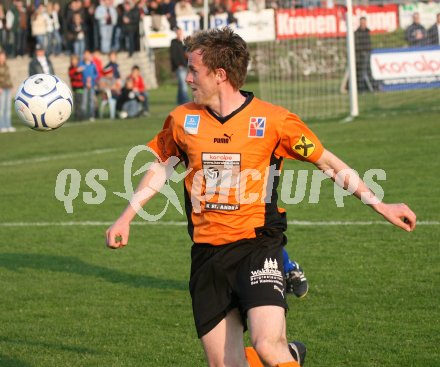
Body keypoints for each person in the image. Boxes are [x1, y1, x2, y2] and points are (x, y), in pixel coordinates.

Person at [106, 28, 416, 367]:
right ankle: (292, 356)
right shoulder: (182, 119)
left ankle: (283, 353)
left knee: (268, 345)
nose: (188, 77)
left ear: (219, 75)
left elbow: (326, 161)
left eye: (194, 70)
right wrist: (127, 216)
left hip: (259, 246)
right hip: (207, 256)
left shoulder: (274, 121)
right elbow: (161, 166)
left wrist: (381, 204)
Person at [170, 27, 190, 105]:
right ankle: (185, 101)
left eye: (180, 33)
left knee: (181, 84)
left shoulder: (183, 43)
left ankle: (179, 101)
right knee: (183, 84)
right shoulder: (174, 42)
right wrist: (178, 65)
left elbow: (187, 53)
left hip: (184, 65)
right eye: (178, 33)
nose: (180, 34)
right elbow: (173, 55)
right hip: (180, 67)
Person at [354, 16, 374, 92]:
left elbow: (369, 43)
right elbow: (356, 45)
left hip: (368, 54)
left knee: (369, 72)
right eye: (362, 23)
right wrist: (362, 51)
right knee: (361, 73)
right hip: (360, 55)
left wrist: (369, 50)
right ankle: (361, 89)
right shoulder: (357, 33)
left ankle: (371, 88)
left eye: (364, 23)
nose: (363, 24)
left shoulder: (367, 31)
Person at [79, 50, 98, 121]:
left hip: (92, 85)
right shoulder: (81, 64)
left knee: (91, 100)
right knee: (84, 101)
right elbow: (79, 74)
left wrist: (91, 79)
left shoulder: (93, 64)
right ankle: (83, 116)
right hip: (84, 85)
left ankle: (91, 115)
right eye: (85, 54)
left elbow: (96, 74)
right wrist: (86, 81)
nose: (86, 56)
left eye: (88, 54)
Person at [0, 50, 15, 133]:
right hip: (1, 89)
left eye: (3, 56)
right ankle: (2, 126)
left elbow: (8, 78)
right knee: (1, 109)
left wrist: (11, 86)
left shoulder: (6, 66)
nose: (2, 58)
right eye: (1, 56)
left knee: (8, 108)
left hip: (7, 88)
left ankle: (8, 125)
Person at [68, 54, 84, 121]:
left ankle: (80, 115)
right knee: (77, 102)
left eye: (75, 60)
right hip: (75, 88)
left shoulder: (79, 68)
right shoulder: (71, 69)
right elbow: (71, 74)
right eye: (73, 60)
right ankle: (77, 116)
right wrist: (77, 71)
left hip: (81, 87)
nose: (74, 62)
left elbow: (81, 77)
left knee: (80, 102)